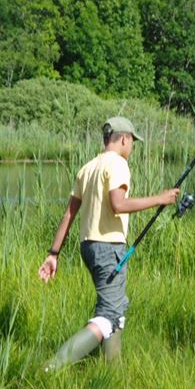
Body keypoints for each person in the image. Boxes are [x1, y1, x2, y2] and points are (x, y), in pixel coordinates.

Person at [38, 116, 180, 371]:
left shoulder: (88, 167)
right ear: (124, 138)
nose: (132, 147)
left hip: (88, 247)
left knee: (114, 310)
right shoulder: (118, 165)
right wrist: (160, 199)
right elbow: (119, 204)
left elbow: (69, 214)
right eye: (132, 142)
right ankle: (52, 368)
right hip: (108, 249)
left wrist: (53, 253)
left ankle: (112, 374)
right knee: (107, 317)